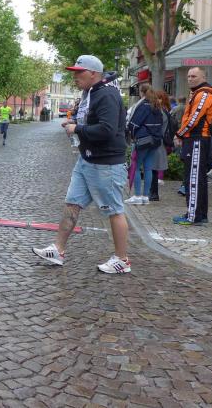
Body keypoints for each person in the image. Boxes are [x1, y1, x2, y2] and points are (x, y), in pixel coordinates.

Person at [32, 55, 132, 274]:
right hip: (87, 159)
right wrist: (76, 122)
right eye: (74, 72)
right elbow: (93, 121)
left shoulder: (106, 94)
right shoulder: (92, 92)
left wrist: (77, 128)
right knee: (72, 203)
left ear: (93, 74)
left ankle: (122, 260)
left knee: (114, 210)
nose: (75, 77)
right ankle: (58, 250)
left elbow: (107, 130)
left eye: (79, 72)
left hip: (106, 164)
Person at [173, 67, 212, 225]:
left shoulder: (203, 94)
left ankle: (193, 216)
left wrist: (179, 134)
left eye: (194, 76)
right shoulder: (198, 93)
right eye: (188, 76)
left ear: (203, 77)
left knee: (193, 178)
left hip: (197, 140)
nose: (190, 79)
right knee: (198, 178)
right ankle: (200, 214)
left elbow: (193, 119)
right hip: (196, 139)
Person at [125, 84, 163, 205]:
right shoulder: (157, 106)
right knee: (148, 168)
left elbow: (134, 124)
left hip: (143, 140)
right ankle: (145, 197)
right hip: (155, 141)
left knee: (136, 167)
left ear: (142, 92)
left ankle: (137, 196)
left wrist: (131, 135)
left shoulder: (143, 105)